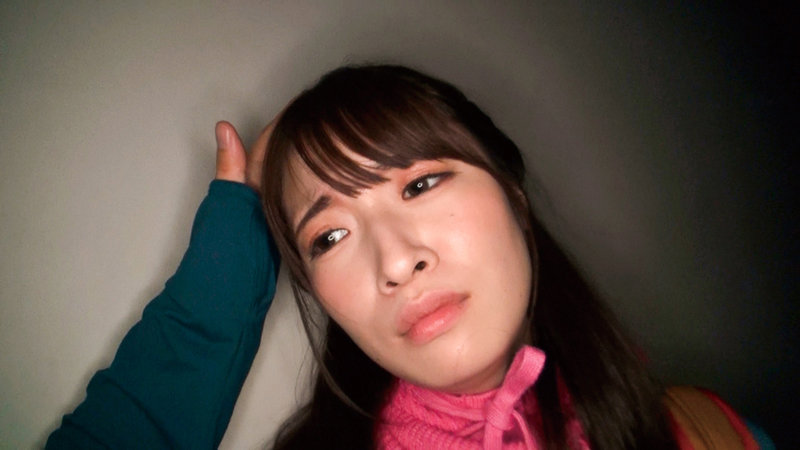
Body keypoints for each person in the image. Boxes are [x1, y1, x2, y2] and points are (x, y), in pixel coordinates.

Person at [46, 65, 766, 449]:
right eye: (329, 237)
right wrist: (222, 277)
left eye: (420, 185)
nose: (394, 261)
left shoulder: (705, 430)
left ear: (513, 197)